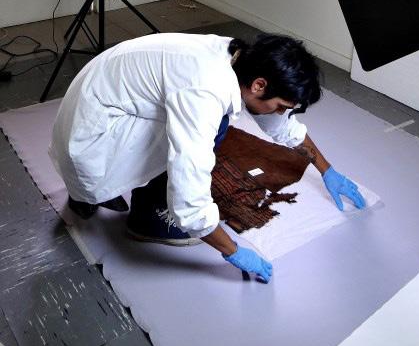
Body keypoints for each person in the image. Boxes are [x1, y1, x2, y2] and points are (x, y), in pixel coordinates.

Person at [50, 32, 365, 284]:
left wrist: (327, 170)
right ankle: (148, 219)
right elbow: (190, 197)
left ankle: (86, 193)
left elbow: (282, 127)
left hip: (93, 114)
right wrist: (233, 250)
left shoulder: (237, 57)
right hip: (92, 142)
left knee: (211, 126)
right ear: (259, 85)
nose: (281, 113)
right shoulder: (205, 91)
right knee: (213, 131)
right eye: (282, 105)